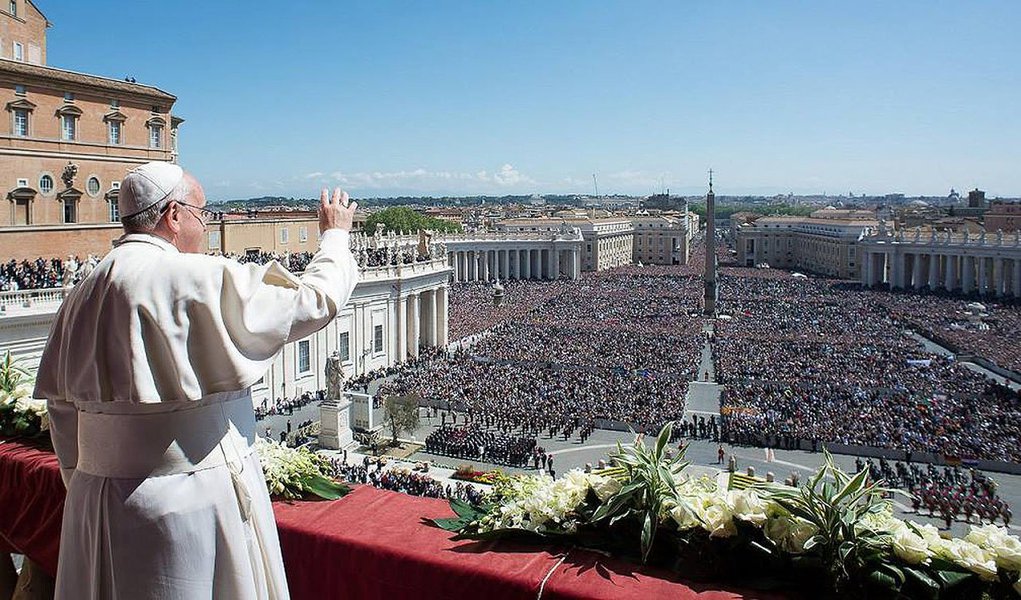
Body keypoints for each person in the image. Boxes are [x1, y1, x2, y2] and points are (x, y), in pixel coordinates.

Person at [34, 162, 359, 600]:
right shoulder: (196, 277)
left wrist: (91, 479)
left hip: (95, 504)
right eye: (201, 213)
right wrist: (335, 235)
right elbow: (313, 301)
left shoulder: (82, 292)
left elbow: (61, 408)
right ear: (173, 215)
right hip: (191, 503)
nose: (205, 226)